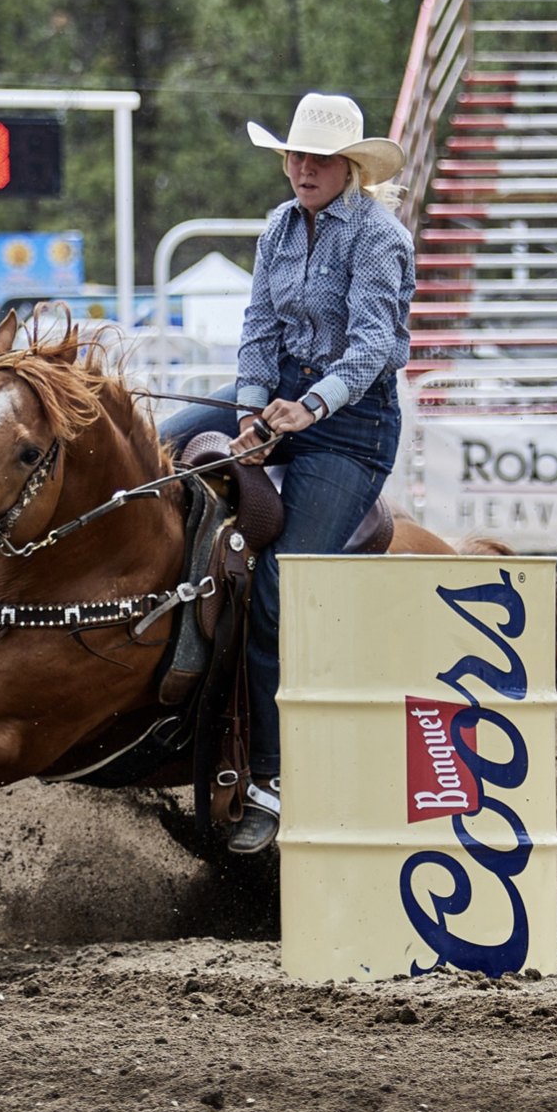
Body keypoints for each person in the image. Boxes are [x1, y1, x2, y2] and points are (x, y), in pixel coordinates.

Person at [156, 92, 415, 855]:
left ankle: (270, 777)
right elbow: (257, 330)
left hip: (353, 428)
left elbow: (373, 347)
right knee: (156, 453)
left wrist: (309, 407)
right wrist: (246, 412)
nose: (301, 168)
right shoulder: (277, 227)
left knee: (278, 593)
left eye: (317, 158)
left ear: (349, 168)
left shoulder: (378, 238)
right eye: (294, 156)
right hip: (275, 405)